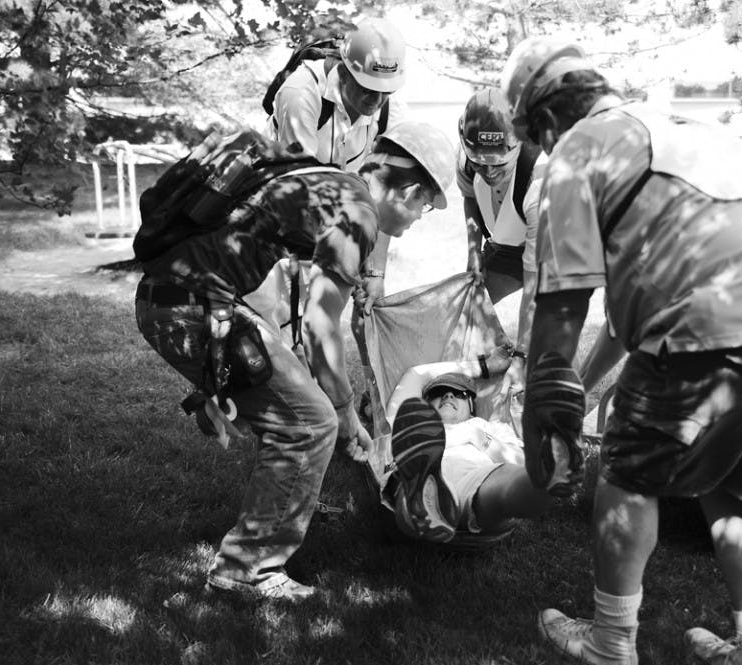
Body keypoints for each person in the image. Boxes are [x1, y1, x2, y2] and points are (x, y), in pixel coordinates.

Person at [500, 37, 742, 665]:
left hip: (726, 310)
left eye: (535, 137)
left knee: (626, 472)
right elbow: (626, 321)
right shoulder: (678, 130)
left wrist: (545, 409)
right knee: (740, 486)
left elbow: (563, 305)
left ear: (545, 119)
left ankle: (610, 641)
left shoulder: (578, 151)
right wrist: (582, 391)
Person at [136, 121, 454, 602]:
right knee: (311, 423)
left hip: (181, 298)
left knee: (298, 407)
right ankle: (247, 570)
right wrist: (344, 411)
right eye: (425, 207)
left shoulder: (335, 183)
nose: (417, 219)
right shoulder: (359, 214)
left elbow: (306, 308)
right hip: (192, 308)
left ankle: (279, 504)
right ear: (409, 192)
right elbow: (320, 326)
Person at [261, 17, 409, 318]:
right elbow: (299, 197)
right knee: (279, 314)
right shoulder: (300, 94)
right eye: (367, 89)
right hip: (279, 207)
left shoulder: (390, 112)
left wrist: (374, 271)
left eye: (386, 92)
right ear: (343, 71)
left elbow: (384, 197)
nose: (377, 101)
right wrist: (348, 262)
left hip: (335, 206)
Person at [383, 347, 557, 543]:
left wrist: (477, 436)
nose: (449, 396)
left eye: (460, 393)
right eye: (439, 392)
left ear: (472, 407)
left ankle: (423, 507)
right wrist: (484, 366)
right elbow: (416, 374)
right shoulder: (411, 420)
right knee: (412, 464)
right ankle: (419, 500)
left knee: (516, 479)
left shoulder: (488, 428)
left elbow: (522, 462)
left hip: (475, 479)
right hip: (418, 471)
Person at [456, 88, 545, 395]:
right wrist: (474, 250)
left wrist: (522, 353)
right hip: (505, 245)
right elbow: (470, 197)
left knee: (548, 335)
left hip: (550, 252)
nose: (489, 171)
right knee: (470, 308)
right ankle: (480, 381)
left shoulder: (538, 182)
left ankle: (542, 387)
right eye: (480, 164)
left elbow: (533, 285)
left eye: (499, 164)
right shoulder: (466, 159)